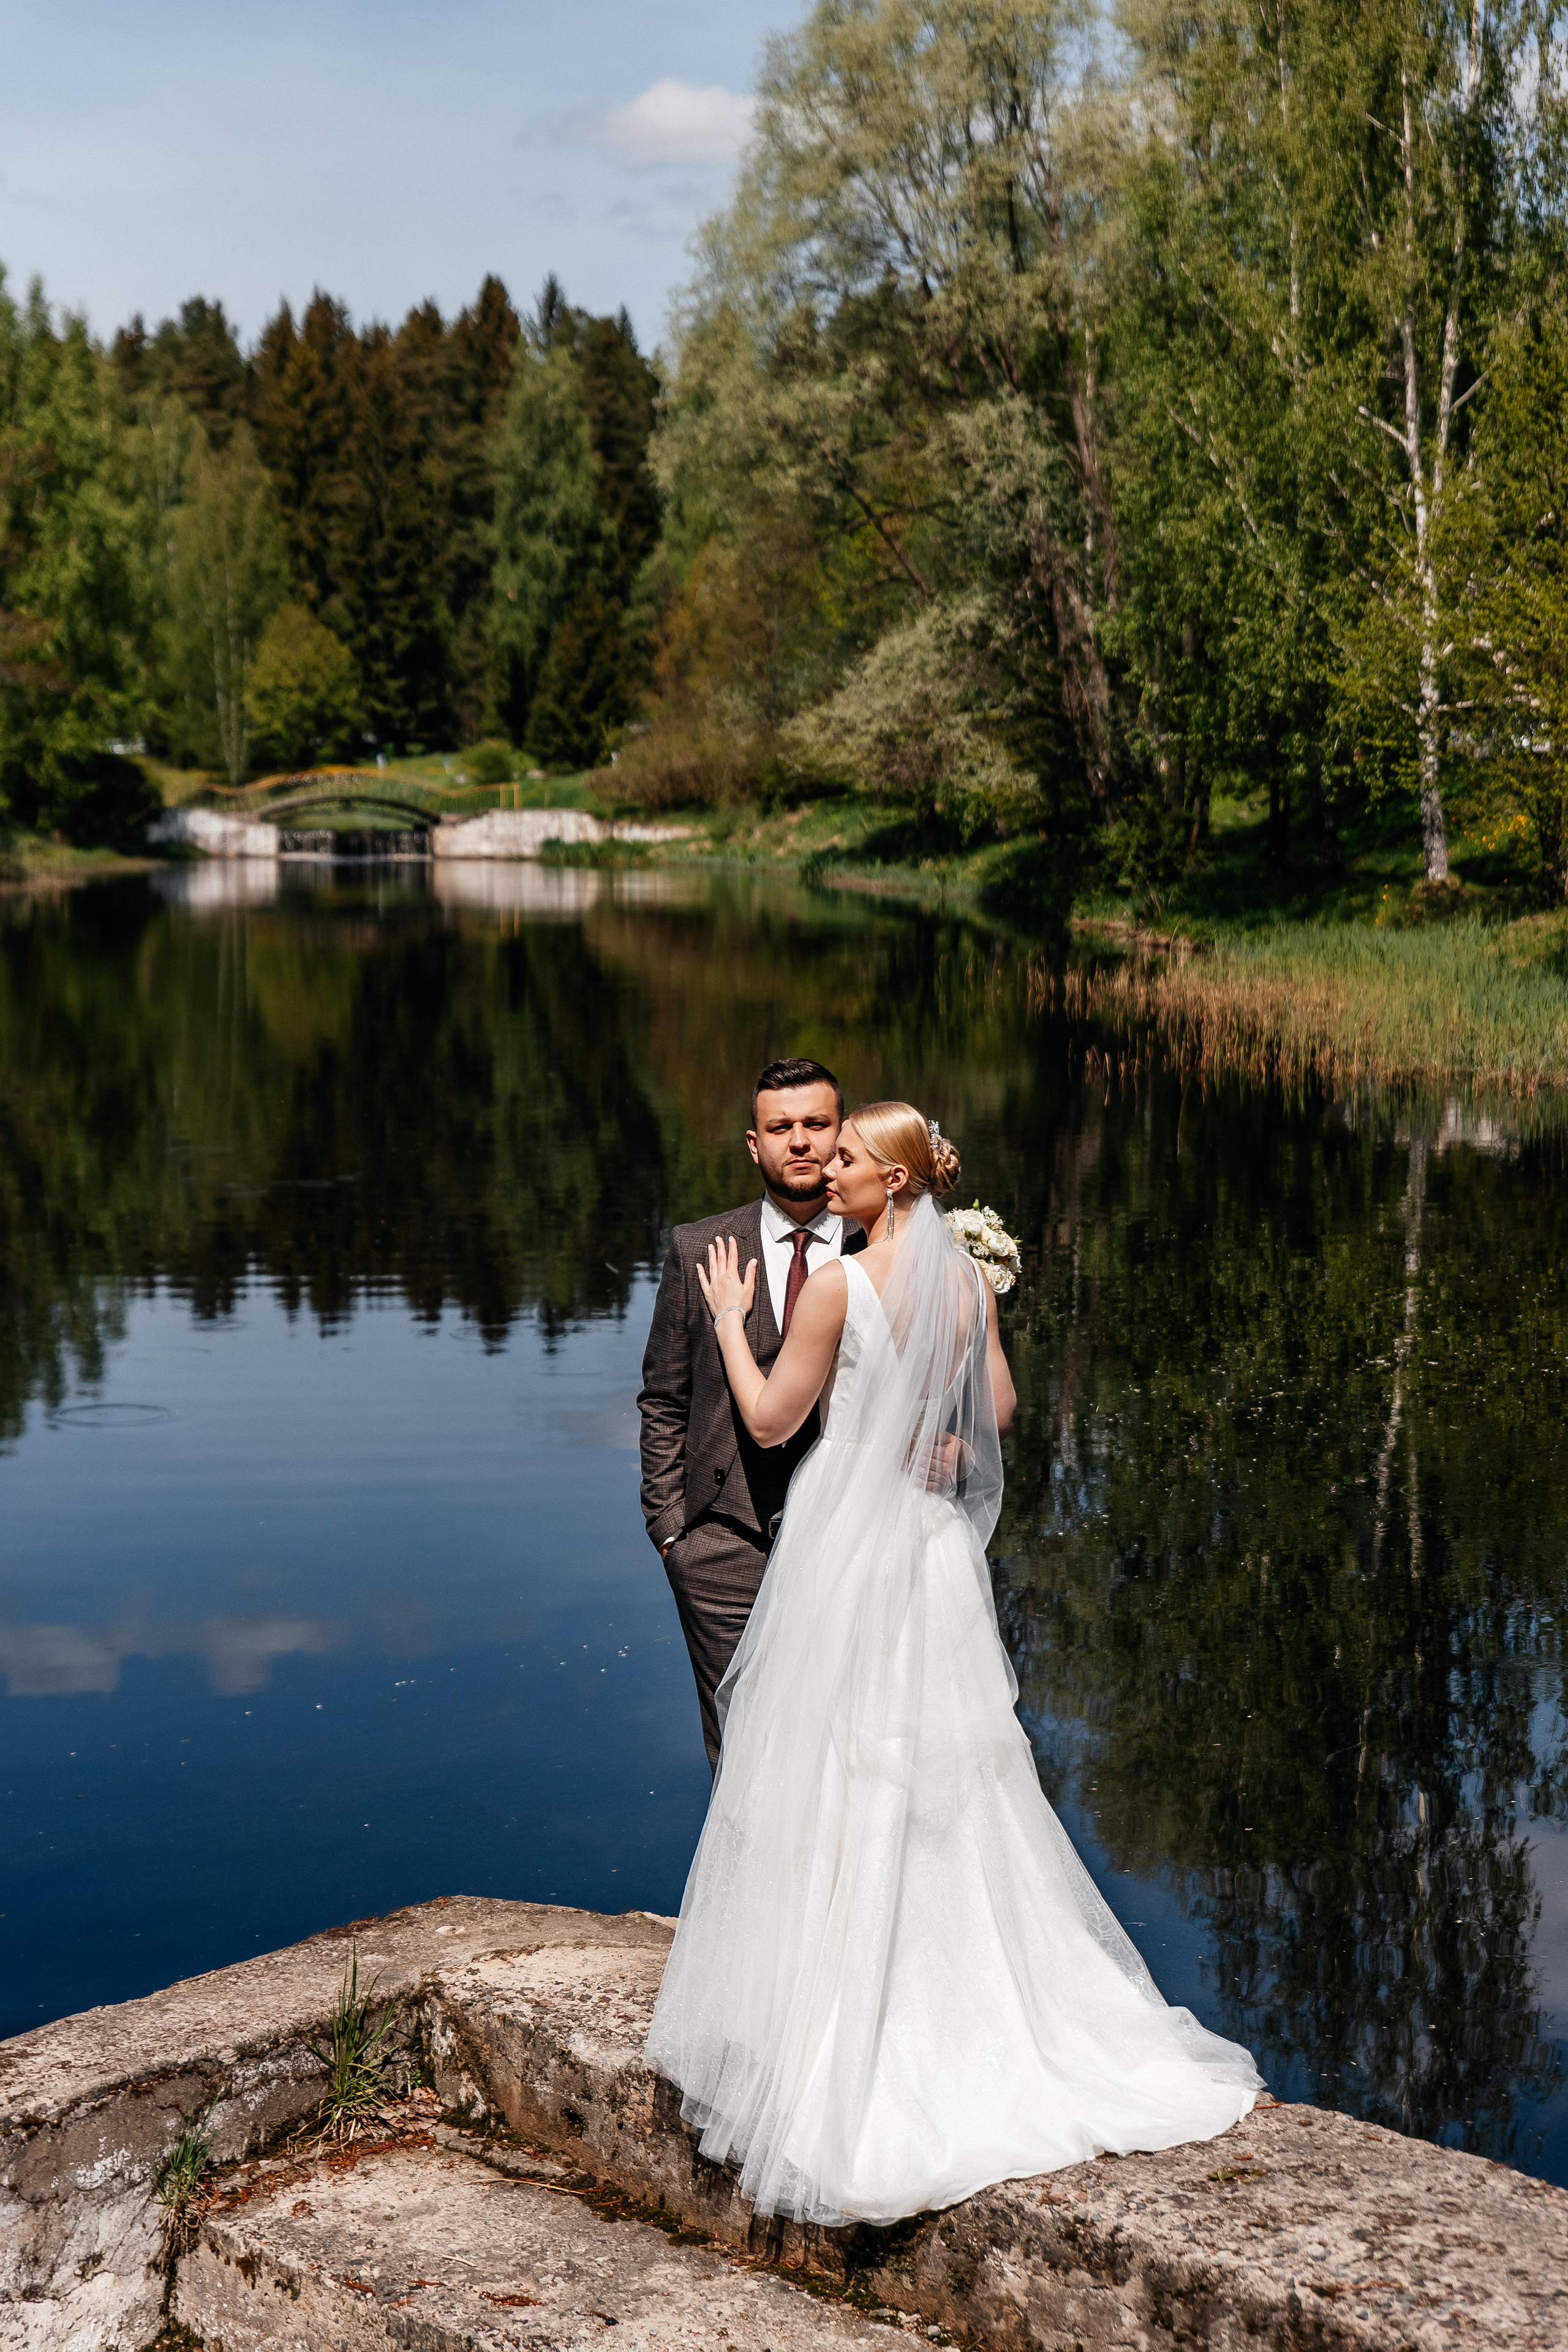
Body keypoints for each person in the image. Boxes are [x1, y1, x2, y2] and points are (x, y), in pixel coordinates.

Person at [646, 1102, 1262, 2226]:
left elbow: (776, 1423)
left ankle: (844, 2029)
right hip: (929, 1551)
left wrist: (733, 1321)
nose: (828, 1174)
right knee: (944, 1773)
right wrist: (947, 1440)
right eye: (826, 1157)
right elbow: (1006, 1412)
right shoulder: (969, 1285)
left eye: (848, 1162)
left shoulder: (838, 1288)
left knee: (840, 1761)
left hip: (849, 1540)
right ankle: (961, 2004)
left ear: (898, 1184)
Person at [638, 1057, 867, 1772]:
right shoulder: (700, 1246)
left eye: (816, 1125)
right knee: (741, 1747)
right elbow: (663, 1397)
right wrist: (672, 1529)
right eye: (781, 1127)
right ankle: (749, 1889)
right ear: (753, 1143)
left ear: (842, 1133)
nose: (800, 1142)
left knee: (851, 1736)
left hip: (857, 1539)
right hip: (722, 1543)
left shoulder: (884, 1245)